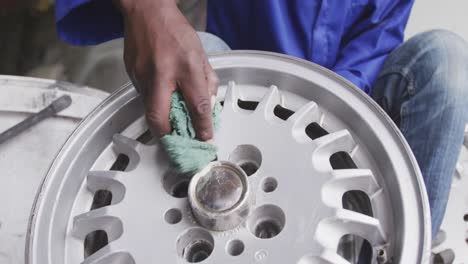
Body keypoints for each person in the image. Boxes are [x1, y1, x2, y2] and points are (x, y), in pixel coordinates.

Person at [55, 0, 468, 238]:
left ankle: (398, 247)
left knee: (447, 59)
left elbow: (373, 47)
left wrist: (314, 138)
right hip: (238, 102)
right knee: (205, 47)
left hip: (342, 120)